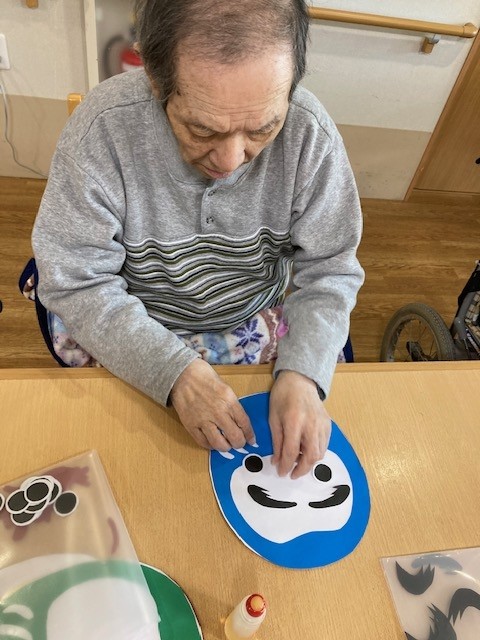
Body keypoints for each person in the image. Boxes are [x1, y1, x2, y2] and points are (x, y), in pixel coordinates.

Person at [32, 0, 364, 479]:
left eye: (263, 128)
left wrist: (301, 375)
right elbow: (76, 282)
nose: (230, 161)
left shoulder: (310, 136)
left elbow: (331, 268)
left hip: (253, 318)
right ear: (153, 75)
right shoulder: (102, 132)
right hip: (136, 321)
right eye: (201, 129)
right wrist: (173, 372)